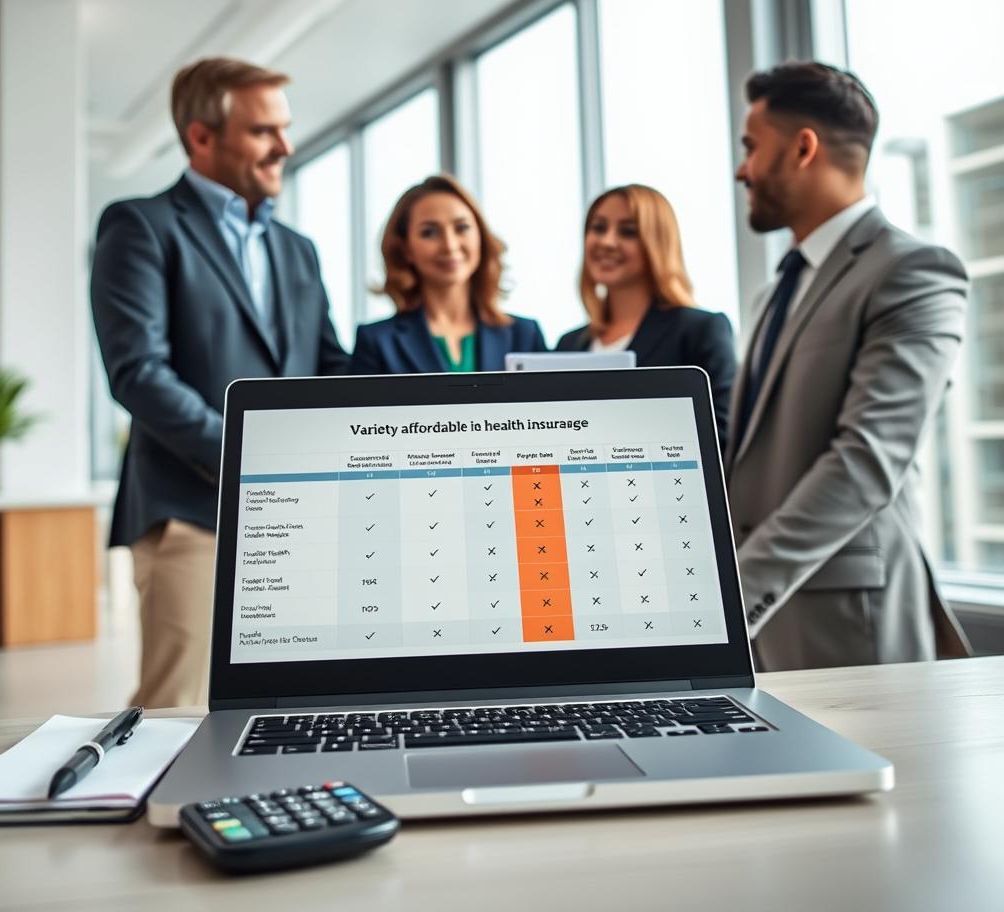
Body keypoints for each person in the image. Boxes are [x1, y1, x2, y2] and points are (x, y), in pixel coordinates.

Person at [90, 57, 348, 708]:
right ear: (202, 136)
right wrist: (249, 457)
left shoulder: (297, 249)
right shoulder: (141, 226)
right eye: (264, 131)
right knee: (177, 710)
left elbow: (328, 365)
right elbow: (139, 373)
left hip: (295, 513)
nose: (285, 147)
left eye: (284, 129)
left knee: (284, 703)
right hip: (190, 510)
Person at [726, 59, 969, 671]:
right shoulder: (775, 291)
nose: (742, 169)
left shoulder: (912, 272)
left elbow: (866, 461)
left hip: (844, 623)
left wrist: (733, 594)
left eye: (752, 147)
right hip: (761, 625)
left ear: (803, 147)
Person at [556, 184, 737, 449]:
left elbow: (719, 436)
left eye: (628, 231)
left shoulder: (699, 331)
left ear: (658, 242)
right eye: (598, 228)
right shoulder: (569, 345)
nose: (607, 241)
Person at [349, 174, 546, 374]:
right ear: (405, 249)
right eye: (429, 233)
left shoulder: (525, 336)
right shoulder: (377, 342)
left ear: (481, 237)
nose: (450, 246)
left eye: (462, 228)